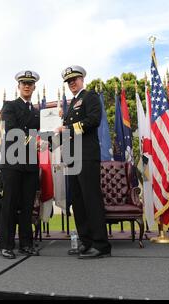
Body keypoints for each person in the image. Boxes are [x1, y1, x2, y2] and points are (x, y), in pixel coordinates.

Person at [56, 66, 112, 259]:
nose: (72, 83)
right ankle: (86, 241)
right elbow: (66, 132)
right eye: (69, 81)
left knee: (91, 199)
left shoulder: (90, 97)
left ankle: (101, 244)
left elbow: (93, 120)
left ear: (82, 79)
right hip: (73, 158)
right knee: (78, 201)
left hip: (87, 156)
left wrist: (68, 128)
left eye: (75, 79)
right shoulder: (72, 104)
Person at [0, 70, 40, 259]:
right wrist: (35, 140)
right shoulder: (9, 106)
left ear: (34, 87)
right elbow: (13, 131)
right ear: (18, 86)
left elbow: (45, 132)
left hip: (30, 164)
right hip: (13, 163)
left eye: (30, 83)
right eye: (24, 83)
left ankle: (26, 244)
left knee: (26, 205)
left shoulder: (38, 112)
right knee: (9, 204)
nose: (27, 86)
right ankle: (6, 245)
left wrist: (56, 123)